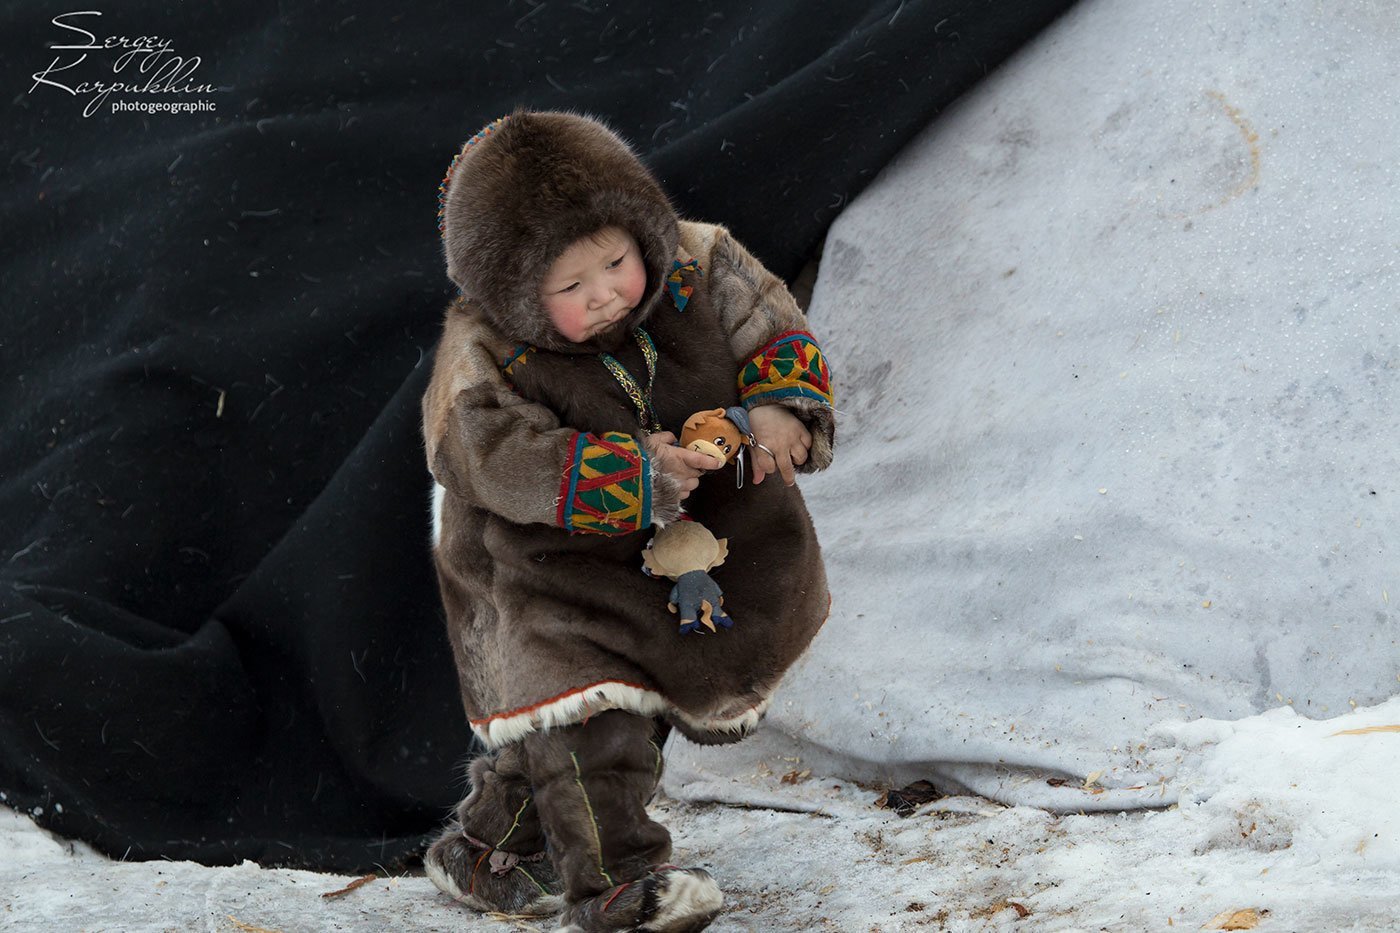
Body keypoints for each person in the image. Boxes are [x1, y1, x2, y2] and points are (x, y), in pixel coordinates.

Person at [421, 110, 835, 932]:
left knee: (636, 708)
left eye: (614, 261)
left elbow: (772, 322)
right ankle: (620, 886)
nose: (605, 290)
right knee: (591, 717)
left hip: (686, 553)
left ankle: (487, 851)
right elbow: (482, 450)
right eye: (569, 287)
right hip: (545, 565)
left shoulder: (698, 258)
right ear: (513, 293)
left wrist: (784, 403)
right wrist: (632, 474)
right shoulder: (482, 348)